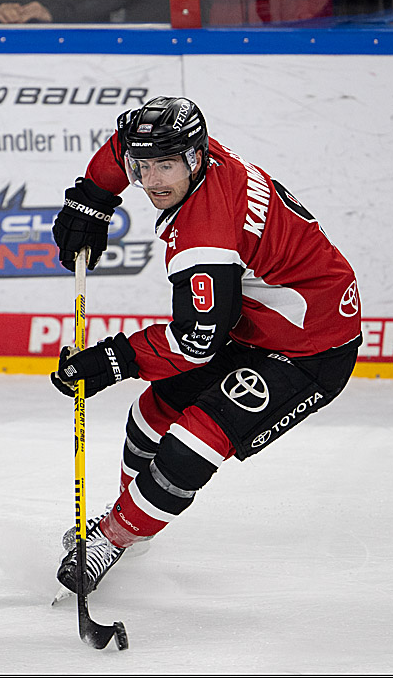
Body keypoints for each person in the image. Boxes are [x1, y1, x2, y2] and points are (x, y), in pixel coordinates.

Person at [49, 96, 362, 594]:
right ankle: (130, 520)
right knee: (150, 413)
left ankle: (115, 536)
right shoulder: (191, 152)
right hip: (257, 325)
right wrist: (92, 198)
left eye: (164, 167)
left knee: (194, 442)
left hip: (310, 349)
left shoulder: (204, 237)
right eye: (142, 167)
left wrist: (113, 360)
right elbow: (121, 149)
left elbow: (197, 341)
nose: (152, 180)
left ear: (195, 158)